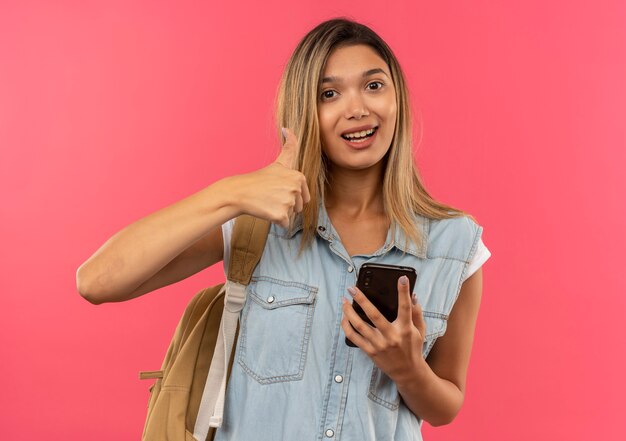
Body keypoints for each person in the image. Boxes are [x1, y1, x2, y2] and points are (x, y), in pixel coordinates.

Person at [77, 17, 491, 441]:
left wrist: (409, 370)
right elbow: (97, 281)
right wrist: (231, 193)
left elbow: (447, 402)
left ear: (397, 98)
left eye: (373, 85)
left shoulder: (455, 243)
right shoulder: (255, 224)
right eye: (329, 94)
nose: (357, 109)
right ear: (305, 112)